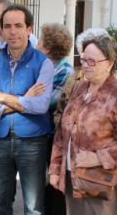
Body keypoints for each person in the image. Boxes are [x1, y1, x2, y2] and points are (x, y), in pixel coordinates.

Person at [48, 30, 117, 215]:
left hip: (104, 181)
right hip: (74, 177)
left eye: (92, 61)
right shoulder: (78, 88)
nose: (86, 66)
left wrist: (99, 157)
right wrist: (55, 169)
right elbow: (62, 132)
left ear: (109, 63)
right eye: (83, 60)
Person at [0, 4, 53, 215]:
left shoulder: (43, 63)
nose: (13, 32)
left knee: (34, 207)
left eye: (18, 26)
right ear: (1, 30)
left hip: (32, 141)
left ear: (29, 29)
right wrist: (23, 100)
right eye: (8, 26)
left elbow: (40, 106)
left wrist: (2, 98)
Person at [35, 23, 74, 215]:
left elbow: (49, 101)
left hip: (54, 134)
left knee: (54, 182)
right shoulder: (44, 67)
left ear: (48, 47)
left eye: (40, 41)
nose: (36, 45)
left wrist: (27, 97)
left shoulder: (64, 70)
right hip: (42, 131)